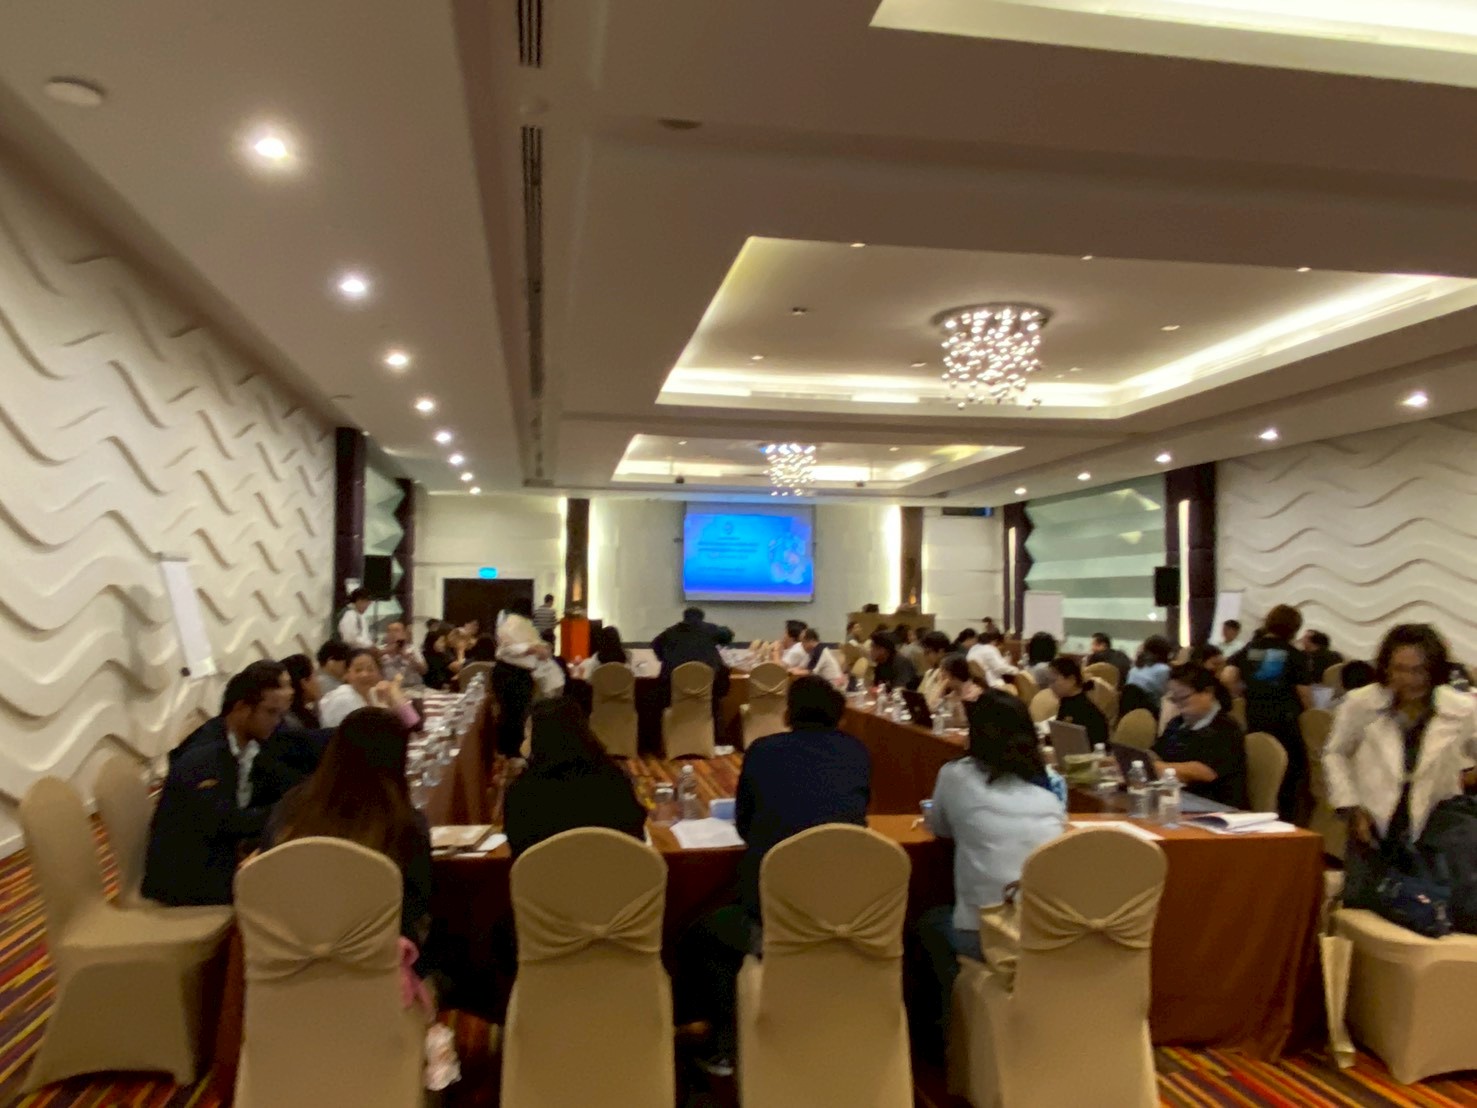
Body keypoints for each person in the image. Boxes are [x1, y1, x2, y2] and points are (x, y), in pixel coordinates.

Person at [680, 677, 870, 1074]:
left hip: (772, 920)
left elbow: (747, 826)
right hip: (849, 914)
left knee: (702, 934)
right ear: (840, 717)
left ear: (787, 715)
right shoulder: (856, 753)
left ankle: (724, 1047)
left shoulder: (764, 751)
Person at [918, 692, 1067, 1047]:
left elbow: (940, 828)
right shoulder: (1050, 793)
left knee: (929, 924)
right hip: (1047, 933)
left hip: (985, 933)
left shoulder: (955, 775)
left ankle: (950, 1039)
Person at [1326, 624, 1477, 910]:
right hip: (1372, 820)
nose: (1408, 680)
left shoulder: (1460, 709)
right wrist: (1351, 805)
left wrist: (1465, 779)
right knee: (1364, 904)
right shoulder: (1362, 703)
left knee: (1428, 907)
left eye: (1419, 670)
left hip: (1433, 822)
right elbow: (1336, 754)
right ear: (1386, 667)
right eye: (1399, 669)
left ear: (1434, 670)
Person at [263, 707, 432, 946]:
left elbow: (269, 869)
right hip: (377, 950)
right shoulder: (404, 821)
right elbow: (418, 900)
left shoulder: (290, 807)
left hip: (292, 945)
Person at [142, 666, 295, 906]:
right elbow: (226, 822)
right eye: (271, 712)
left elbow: (284, 778)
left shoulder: (249, 743)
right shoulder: (204, 756)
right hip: (187, 879)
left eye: (280, 714)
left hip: (220, 857)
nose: (277, 722)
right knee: (293, 885)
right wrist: (288, 810)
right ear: (242, 708)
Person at [502, 698, 647, 857]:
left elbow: (518, 852)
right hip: (611, 871)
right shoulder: (615, 781)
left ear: (541, 741)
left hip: (548, 873)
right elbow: (636, 839)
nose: (521, 746)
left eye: (527, 737)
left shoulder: (521, 794)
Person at [1225, 604, 1312, 821]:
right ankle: (1287, 819)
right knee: (1291, 774)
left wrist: (1242, 692)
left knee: (1261, 767)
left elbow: (1227, 676)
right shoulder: (1294, 654)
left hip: (1255, 716)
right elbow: (1303, 694)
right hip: (1285, 721)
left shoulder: (1249, 648)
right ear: (1294, 628)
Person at [1152, 665, 1249, 809]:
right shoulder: (1177, 723)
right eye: (1174, 699)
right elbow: (1158, 752)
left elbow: (1206, 772)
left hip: (1216, 807)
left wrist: (1159, 767)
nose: (1178, 705)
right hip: (1180, 800)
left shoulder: (1226, 728)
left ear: (1208, 692)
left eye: (1183, 698)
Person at [653, 607, 731, 728]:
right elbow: (728, 635)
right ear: (702, 618)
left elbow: (655, 644)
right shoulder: (711, 629)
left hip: (674, 690)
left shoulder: (670, 632)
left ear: (684, 617)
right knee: (716, 697)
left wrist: (665, 657)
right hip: (708, 689)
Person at [493, 597, 549, 759]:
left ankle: (512, 752)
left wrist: (540, 648)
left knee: (515, 714)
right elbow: (507, 648)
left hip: (514, 673)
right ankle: (512, 752)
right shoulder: (513, 623)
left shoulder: (517, 623)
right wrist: (532, 648)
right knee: (513, 715)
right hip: (512, 673)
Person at [318, 648, 419, 730]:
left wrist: (394, 691)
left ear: (380, 674)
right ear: (347, 674)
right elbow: (374, 736)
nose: (364, 674)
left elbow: (413, 722)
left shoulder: (373, 693)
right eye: (358, 670)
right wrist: (384, 706)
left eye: (370, 669)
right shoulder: (343, 699)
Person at [1046, 657, 1109, 749]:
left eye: (1053, 681)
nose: (1050, 686)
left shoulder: (1088, 711)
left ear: (1072, 680)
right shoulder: (1066, 702)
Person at [1124, 635, 1174, 714]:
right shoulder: (1164, 670)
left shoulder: (1134, 668)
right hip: (1152, 711)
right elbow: (1167, 694)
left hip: (1128, 711)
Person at [379, 620, 427, 690]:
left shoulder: (413, 649)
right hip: (389, 688)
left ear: (404, 634)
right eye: (389, 631)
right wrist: (386, 652)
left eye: (396, 630)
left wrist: (410, 658)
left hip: (413, 687)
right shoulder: (380, 651)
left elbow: (424, 671)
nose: (392, 634)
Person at [280, 653, 321, 730]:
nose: (318, 681)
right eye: (315, 675)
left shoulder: (304, 714)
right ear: (304, 682)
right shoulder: (293, 724)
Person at [917, 631, 954, 709]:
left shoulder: (950, 674)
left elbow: (933, 704)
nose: (925, 656)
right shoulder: (929, 673)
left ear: (941, 652)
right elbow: (919, 696)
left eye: (928, 652)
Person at [422, 626, 458, 691]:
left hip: (444, 687)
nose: (443, 644)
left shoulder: (441, 655)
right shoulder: (426, 656)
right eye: (441, 641)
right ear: (433, 642)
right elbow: (433, 678)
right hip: (431, 689)